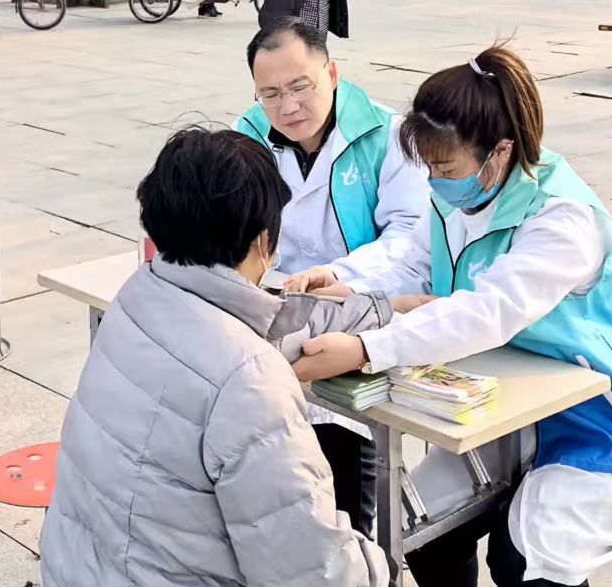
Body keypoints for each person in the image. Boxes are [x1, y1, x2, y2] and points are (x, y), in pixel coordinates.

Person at [293, 45, 612, 587]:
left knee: (524, 560)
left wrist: (365, 348)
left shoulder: (563, 220)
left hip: (606, 422)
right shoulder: (459, 195)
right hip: (502, 410)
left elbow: (487, 312)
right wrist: (349, 286)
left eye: (445, 168)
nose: (435, 181)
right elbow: (415, 263)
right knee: (417, 529)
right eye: (428, 168)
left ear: (500, 150)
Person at [41, 126, 390, 587]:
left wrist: (383, 310)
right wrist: (377, 565)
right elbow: (315, 572)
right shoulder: (249, 379)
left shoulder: (137, 295)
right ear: (264, 241)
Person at [233, 17, 429, 537]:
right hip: (271, 321)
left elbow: (412, 236)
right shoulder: (245, 137)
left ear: (332, 73)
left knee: (347, 479)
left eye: (300, 86)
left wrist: (342, 273)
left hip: (355, 316)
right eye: (270, 94)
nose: (287, 106)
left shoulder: (388, 135)